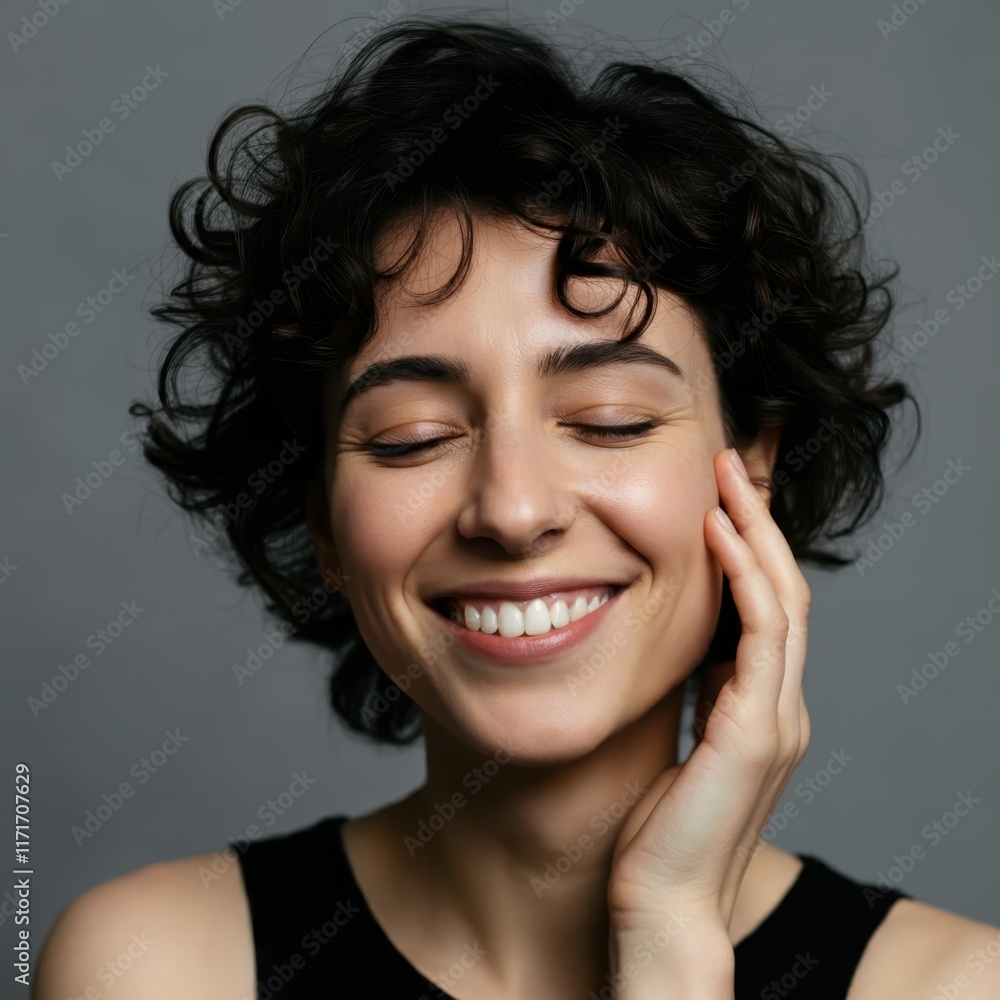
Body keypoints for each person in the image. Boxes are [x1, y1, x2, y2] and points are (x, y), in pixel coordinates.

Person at [35, 13, 1000, 1000]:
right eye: (412, 435)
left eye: (610, 418)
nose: (512, 507)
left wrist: (669, 938)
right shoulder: (158, 965)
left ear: (750, 466)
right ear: (322, 518)